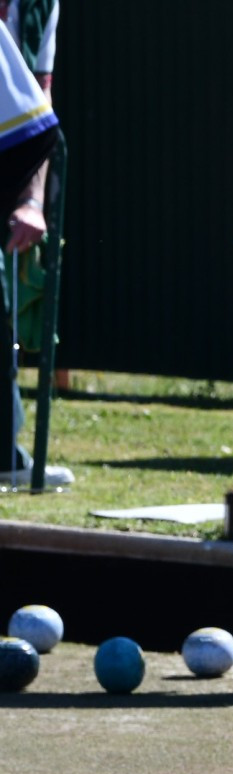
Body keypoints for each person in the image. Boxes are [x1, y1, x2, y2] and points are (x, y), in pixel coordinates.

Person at [0, 0, 63, 490]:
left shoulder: (44, 6)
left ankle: (7, 453)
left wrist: (32, 200)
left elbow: (35, 107)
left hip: (7, 166)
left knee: (5, 320)